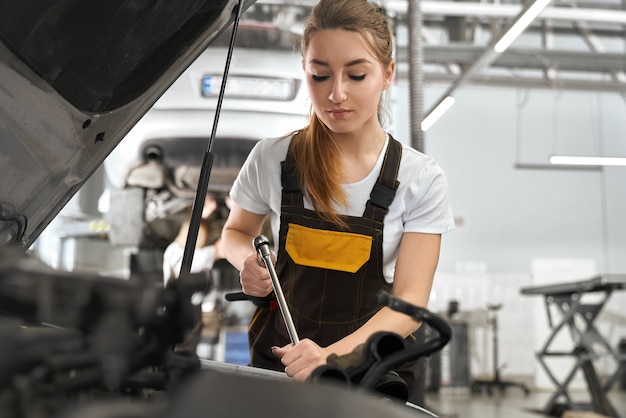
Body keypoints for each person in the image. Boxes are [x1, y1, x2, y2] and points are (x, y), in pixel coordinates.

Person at [220, 0, 455, 404]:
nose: (336, 93)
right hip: (284, 364)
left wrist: (329, 357)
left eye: (357, 74)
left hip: (376, 376)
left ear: (387, 75)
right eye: (320, 75)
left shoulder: (419, 179)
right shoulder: (273, 158)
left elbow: (410, 301)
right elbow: (235, 233)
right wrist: (245, 260)